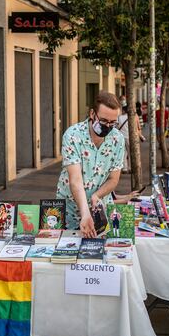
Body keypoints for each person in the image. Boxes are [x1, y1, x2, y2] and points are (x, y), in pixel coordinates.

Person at [56, 91, 125, 236]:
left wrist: (97, 196)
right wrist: (85, 212)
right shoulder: (73, 135)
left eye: (113, 123)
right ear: (92, 114)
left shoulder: (118, 139)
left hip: (100, 210)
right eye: (104, 121)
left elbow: (114, 179)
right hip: (70, 210)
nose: (108, 126)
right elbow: (75, 179)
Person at [118, 105, 145, 173]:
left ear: (124, 110)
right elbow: (138, 127)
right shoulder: (134, 117)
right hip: (130, 137)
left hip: (121, 137)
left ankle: (124, 168)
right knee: (131, 153)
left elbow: (116, 126)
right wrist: (140, 135)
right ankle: (130, 168)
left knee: (123, 153)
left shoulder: (119, 117)